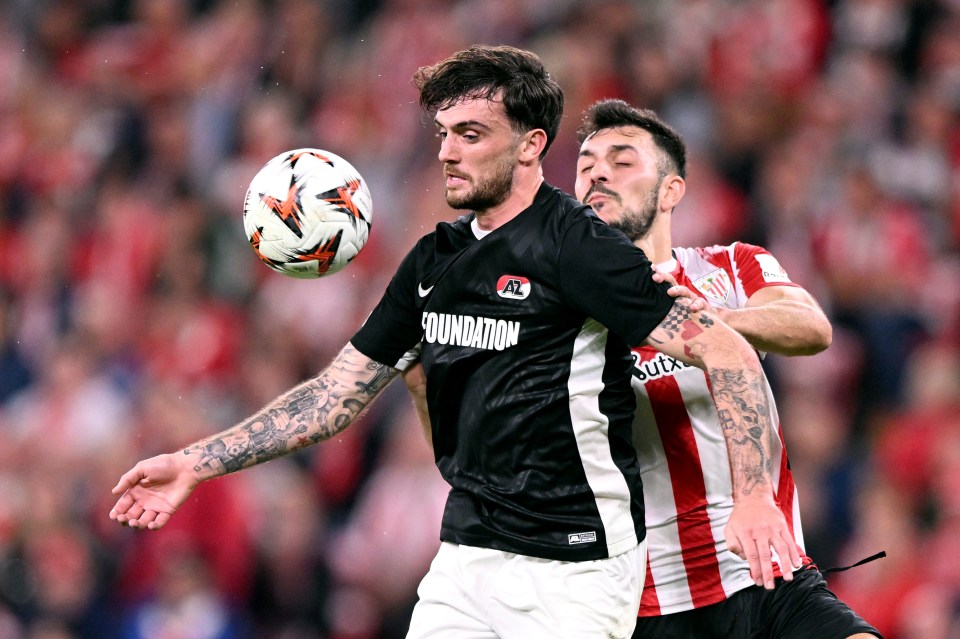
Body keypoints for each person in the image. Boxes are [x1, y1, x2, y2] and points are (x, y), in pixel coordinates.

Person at [110, 46, 796, 639]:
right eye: (443, 133)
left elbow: (726, 351)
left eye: (470, 133)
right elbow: (333, 397)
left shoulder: (582, 251)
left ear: (531, 143)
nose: (447, 152)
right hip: (468, 555)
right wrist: (195, 462)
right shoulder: (432, 263)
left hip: (577, 568)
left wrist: (754, 497)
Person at [573, 98, 881, 638]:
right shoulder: (563, 312)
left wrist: (712, 324)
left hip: (768, 574)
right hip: (648, 607)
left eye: (622, 161)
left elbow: (811, 326)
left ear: (671, 191)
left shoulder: (729, 266)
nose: (598, 172)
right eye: (586, 164)